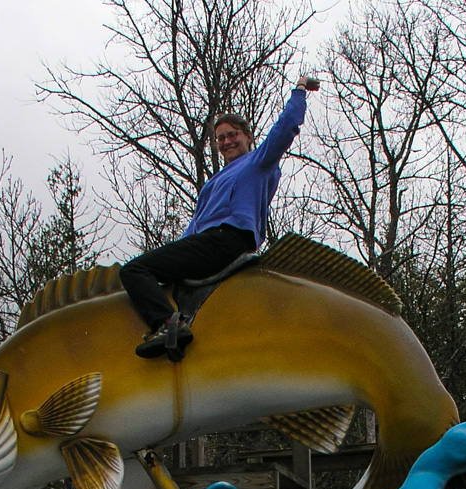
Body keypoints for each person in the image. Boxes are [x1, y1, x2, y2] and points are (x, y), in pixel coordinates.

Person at [120, 74, 320, 359]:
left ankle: (167, 325)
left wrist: (298, 92)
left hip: (228, 239)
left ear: (248, 137)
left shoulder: (258, 162)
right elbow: (193, 230)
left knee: (134, 270)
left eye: (233, 134)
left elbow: (286, 127)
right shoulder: (213, 183)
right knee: (164, 276)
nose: (227, 141)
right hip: (207, 242)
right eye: (221, 138)